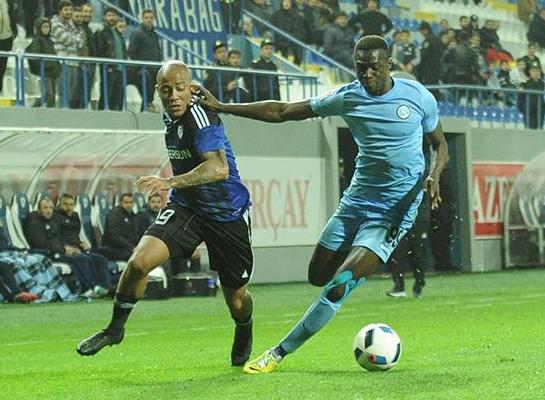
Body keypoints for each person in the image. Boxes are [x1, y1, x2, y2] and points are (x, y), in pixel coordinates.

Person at [193, 34, 448, 374]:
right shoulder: (349, 97)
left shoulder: (417, 96)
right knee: (317, 275)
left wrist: (434, 174)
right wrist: (224, 107)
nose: (367, 74)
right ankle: (358, 261)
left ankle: (277, 353)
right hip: (356, 202)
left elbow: (440, 144)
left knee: (337, 286)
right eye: (360, 68)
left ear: (389, 64)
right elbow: (283, 111)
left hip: (394, 212)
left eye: (374, 67)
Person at [77, 60, 254, 369]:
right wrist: (175, 188)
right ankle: (115, 329)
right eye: (166, 90)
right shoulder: (170, 116)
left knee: (237, 299)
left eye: (180, 89)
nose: (173, 96)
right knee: (138, 263)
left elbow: (218, 168)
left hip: (226, 215)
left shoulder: (200, 117)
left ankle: (244, 327)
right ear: (158, 91)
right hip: (187, 208)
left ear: (191, 89)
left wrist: (168, 182)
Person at [24, 197, 106, 297]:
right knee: (78, 259)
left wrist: (69, 248)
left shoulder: (52, 222)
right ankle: (86, 289)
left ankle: (95, 287)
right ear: (39, 210)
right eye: (45, 208)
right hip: (46, 254)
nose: (48, 211)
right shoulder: (34, 223)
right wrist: (63, 249)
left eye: (51, 208)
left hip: (58, 251)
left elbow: (58, 239)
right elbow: (41, 244)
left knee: (84, 257)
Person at [54, 193, 112, 294]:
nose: (69, 207)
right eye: (65, 204)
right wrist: (65, 247)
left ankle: (105, 288)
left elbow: (75, 235)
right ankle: (89, 289)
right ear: (60, 204)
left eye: (71, 204)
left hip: (77, 249)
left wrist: (80, 243)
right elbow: (55, 237)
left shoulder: (75, 216)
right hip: (63, 250)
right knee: (84, 259)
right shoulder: (56, 217)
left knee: (100, 259)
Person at [386, 196, 430, 298]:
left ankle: (419, 283)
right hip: (399, 220)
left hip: (418, 220)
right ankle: (399, 286)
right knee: (397, 253)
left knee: (418, 254)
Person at [50, 0, 84, 109]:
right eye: (66, 10)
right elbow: (66, 39)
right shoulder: (55, 23)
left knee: (71, 94)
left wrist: (74, 38)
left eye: (70, 9)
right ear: (60, 11)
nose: (68, 12)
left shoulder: (71, 24)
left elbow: (81, 42)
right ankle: (61, 113)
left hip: (74, 61)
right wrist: (75, 37)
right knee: (63, 92)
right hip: (62, 62)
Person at [128, 9, 162, 112]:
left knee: (154, 87)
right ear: (142, 19)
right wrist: (139, 67)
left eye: (151, 18)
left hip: (153, 69)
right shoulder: (137, 33)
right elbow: (132, 52)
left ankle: (148, 106)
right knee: (145, 87)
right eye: (146, 18)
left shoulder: (155, 34)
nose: (148, 20)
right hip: (141, 70)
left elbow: (157, 51)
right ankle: (146, 106)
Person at [94, 6, 127, 111]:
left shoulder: (118, 33)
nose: (111, 18)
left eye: (113, 15)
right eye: (109, 15)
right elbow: (99, 52)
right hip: (108, 69)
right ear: (104, 17)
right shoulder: (101, 32)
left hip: (120, 69)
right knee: (106, 97)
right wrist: (107, 66)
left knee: (118, 99)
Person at [27, 18, 61, 108]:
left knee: (51, 95)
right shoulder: (37, 40)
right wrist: (47, 65)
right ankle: (34, 109)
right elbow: (36, 57)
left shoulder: (50, 41)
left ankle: (49, 112)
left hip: (53, 72)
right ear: (39, 28)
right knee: (49, 94)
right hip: (44, 71)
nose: (47, 29)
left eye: (48, 27)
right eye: (44, 27)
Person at [100, 193, 139, 261]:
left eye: (131, 202)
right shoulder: (114, 214)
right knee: (135, 257)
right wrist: (131, 247)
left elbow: (134, 234)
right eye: (126, 202)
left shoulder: (131, 215)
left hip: (126, 248)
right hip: (112, 248)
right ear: (121, 203)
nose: (128, 205)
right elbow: (115, 236)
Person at [270, 0, 306, 64]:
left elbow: (298, 29)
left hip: (292, 40)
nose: (286, 3)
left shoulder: (296, 15)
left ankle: (296, 66)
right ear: (282, 3)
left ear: (291, 3)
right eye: (285, 1)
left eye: (288, 2)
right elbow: (272, 26)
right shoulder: (276, 14)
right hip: (279, 41)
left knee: (298, 52)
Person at [416, 21, 443, 88]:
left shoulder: (429, 40)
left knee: (431, 86)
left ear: (425, 30)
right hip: (435, 67)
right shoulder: (436, 38)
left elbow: (425, 54)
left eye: (421, 31)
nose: (421, 33)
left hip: (430, 68)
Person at [518, 61, 544, 129]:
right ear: (530, 72)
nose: (535, 73)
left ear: (539, 72)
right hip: (528, 111)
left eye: (537, 71)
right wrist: (523, 110)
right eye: (533, 71)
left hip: (540, 111)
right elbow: (520, 98)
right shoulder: (524, 84)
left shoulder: (543, 84)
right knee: (529, 130)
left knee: (539, 130)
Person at [0, 0, 16, 95]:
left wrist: (13, 32)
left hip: (6, 39)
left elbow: (11, 16)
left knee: (2, 69)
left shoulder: (7, 1)